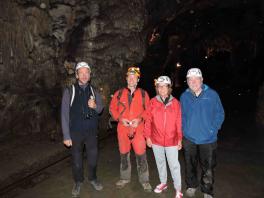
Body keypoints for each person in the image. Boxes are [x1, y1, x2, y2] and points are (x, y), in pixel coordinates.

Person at [61, 61, 104, 197]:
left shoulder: (94, 90)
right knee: (77, 159)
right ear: (77, 75)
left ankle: (92, 178)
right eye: (82, 73)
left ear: (90, 75)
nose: (84, 75)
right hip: (76, 133)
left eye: (87, 73)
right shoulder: (69, 91)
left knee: (93, 157)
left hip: (91, 132)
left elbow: (100, 109)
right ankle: (78, 181)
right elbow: (64, 114)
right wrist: (66, 135)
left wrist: (95, 105)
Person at [180, 68, 225, 198]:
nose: (193, 82)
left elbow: (220, 113)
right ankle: (191, 185)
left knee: (208, 167)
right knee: (190, 164)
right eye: (190, 79)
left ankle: (207, 190)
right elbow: (182, 116)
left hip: (208, 139)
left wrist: (214, 128)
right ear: (187, 81)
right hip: (189, 138)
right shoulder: (184, 96)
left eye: (196, 79)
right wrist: (183, 130)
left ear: (202, 80)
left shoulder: (212, 94)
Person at [109, 66, 152, 192]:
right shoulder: (119, 93)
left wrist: (139, 119)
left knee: (141, 155)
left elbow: (148, 111)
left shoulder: (144, 94)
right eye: (129, 77)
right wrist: (120, 119)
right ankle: (125, 178)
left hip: (138, 129)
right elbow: (112, 109)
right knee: (124, 154)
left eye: (134, 77)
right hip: (123, 129)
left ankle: (145, 181)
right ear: (126, 78)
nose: (131, 79)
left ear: (138, 79)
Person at [144, 76, 183, 198]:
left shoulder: (176, 103)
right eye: (159, 87)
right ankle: (163, 183)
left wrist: (179, 139)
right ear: (157, 88)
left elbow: (179, 122)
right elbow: (148, 121)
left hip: (172, 140)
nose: (162, 89)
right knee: (160, 163)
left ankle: (178, 189)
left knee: (174, 165)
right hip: (156, 140)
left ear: (169, 88)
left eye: (164, 86)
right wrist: (148, 137)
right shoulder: (152, 102)